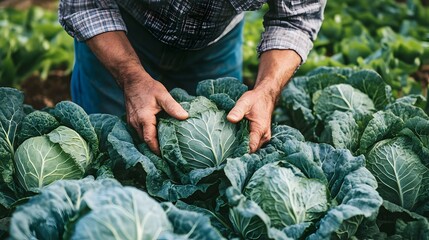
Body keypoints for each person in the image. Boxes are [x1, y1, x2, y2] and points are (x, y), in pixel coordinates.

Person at [58, 0, 326, 155]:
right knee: (107, 151)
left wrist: (267, 90)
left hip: (215, 41)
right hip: (121, 29)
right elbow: (86, 3)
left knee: (216, 161)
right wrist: (130, 77)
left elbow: (295, 18)